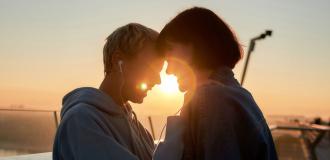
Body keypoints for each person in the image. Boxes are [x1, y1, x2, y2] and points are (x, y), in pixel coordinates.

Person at [156, 7, 278, 160]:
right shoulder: (238, 94)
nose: (168, 71)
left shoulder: (211, 98)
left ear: (197, 44)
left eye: (170, 50)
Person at [53, 23, 164, 160]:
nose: (158, 80)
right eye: (150, 68)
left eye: (159, 72)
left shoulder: (136, 126)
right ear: (118, 61)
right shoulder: (81, 120)